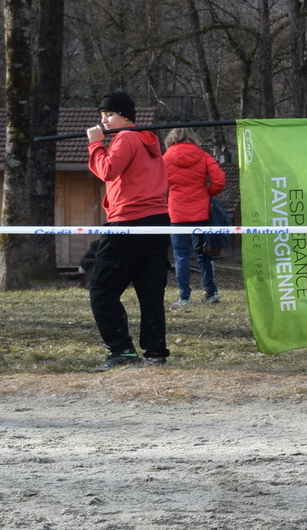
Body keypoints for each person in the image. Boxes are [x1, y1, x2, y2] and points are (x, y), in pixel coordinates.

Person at [85, 90, 172, 370]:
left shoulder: (125, 138)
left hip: (129, 221)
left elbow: (107, 170)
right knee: (150, 290)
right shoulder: (150, 141)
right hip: (158, 220)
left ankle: (122, 350)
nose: (104, 120)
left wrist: (95, 145)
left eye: (110, 114)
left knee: (101, 288)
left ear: (125, 116)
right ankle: (155, 352)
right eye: (102, 115)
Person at [163, 128, 228, 306]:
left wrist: (168, 197)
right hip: (201, 212)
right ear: (192, 138)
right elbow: (219, 180)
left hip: (177, 212)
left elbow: (158, 184)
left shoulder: (165, 158)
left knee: (181, 255)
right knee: (203, 253)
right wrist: (206, 194)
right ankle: (210, 292)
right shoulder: (203, 156)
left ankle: (184, 296)